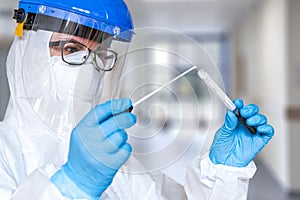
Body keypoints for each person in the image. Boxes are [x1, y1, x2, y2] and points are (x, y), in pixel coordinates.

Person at [0, 0, 274, 199]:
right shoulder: (5, 153)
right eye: (71, 49)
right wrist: (72, 185)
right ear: (28, 50)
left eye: (100, 56)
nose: (87, 68)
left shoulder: (113, 158)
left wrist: (221, 173)